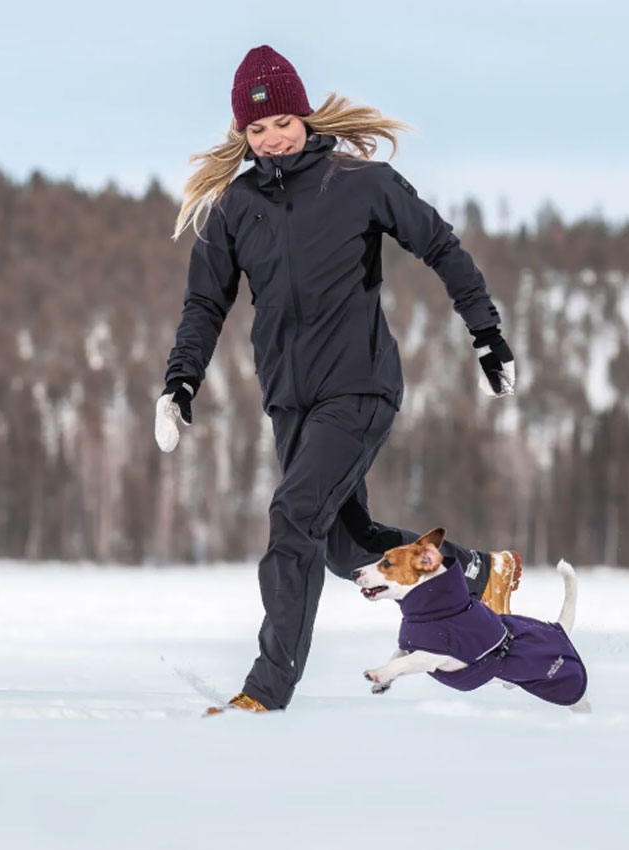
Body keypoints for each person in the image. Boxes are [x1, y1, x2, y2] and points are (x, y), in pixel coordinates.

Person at [155, 45, 519, 714]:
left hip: (358, 387)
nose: (272, 137)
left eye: (282, 121)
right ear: (243, 135)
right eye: (256, 129)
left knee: (292, 519)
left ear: (305, 113)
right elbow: (205, 306)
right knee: (343, 547)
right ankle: (477, 570)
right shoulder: (234, 208)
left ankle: (265, 693)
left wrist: (485, 332)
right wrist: (180, 384)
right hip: (290, 401)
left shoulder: (360, 184)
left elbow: (440, 245)